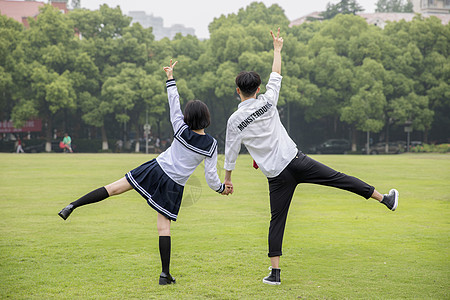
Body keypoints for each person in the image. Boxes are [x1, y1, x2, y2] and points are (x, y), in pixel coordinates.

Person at [223, 28, 399, 285]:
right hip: (296, 160)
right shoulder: (268, 100)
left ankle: (275, 274)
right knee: (339, 179)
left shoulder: (235, 120)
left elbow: (230, 153)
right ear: (258, 89)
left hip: (276, 175)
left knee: (277, 220)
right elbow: (276, 74)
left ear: (237, 90)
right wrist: (277, 49)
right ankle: (384, 199)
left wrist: (228, 180)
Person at [58, 59, 232, 285]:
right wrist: (221, 189)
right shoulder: (211, 144)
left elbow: (174, 104)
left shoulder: (180, 128)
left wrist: (170, 78)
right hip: (172, 185)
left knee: (113, 188)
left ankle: (72, 205)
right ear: (207, 117)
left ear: (189, 117)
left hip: (155, 169)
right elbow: (211, 178)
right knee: (163, 227)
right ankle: (164, 274)